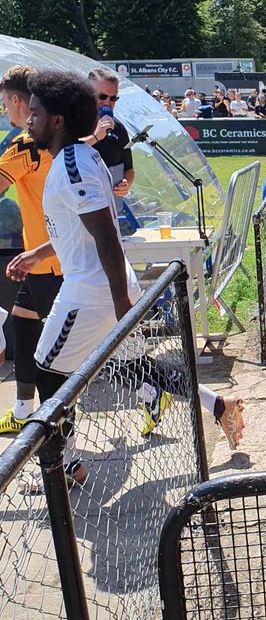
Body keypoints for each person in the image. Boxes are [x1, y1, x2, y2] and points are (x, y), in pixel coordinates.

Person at [16, 71, 245, 478]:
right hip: (106, 287)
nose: (27, 120)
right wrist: (41, 252)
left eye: (34, 113)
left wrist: (124, 307)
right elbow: (84, 229)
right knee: (137, 368)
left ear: (57, 120)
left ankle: (64, 466)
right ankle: (218, 406)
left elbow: (106, 233)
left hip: (91, 293)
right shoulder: (82, 157)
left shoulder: (73, 164)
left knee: (47, 371)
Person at [0, 65, 64, 434]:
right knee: (23, 331)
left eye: (4, 103)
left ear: (16, 100)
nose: (4, 111)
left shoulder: (26, 145)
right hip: (40, 259)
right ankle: (24, 412)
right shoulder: (55, 135)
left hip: (51, 262)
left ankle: (160, 390)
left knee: (94, 354)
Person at [84, 68, 135, 211]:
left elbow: (129, 169)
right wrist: (95, 137)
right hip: (77, 208)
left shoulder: (118, 127)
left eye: (113, 98)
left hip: (109, 207)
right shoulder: (71, 121)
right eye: (102, 96)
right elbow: (64, 153)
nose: (107, 102)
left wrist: (125, 183)